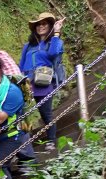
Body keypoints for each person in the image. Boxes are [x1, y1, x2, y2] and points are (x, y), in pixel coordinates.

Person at [19, 12, 65, 152]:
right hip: (27, 82)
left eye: (44, 24)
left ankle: (51, 141)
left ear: (50, 26)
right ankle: (24, 147)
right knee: (23, 114)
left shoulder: (54, 42)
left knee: (45, 113)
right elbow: (21, 65)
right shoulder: (29, 46)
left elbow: (53, 54)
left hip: (43, 81)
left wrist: (56, 33)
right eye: (38, 24)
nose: (40, 27)